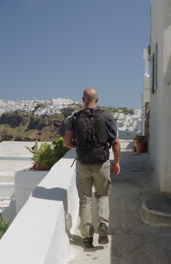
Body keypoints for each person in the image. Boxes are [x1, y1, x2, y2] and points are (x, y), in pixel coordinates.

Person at [63, 88, 121, 249]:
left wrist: (79, 146)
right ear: (97, 100)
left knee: (85, 200)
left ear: (83, 100)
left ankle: (87, 236)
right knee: (102, 196)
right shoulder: (106, 116)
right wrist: (116, 162)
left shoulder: (75, 117)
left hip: (83, 163)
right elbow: (115, 142)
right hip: (101, 163)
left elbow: (66, 143)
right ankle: (103, 224)